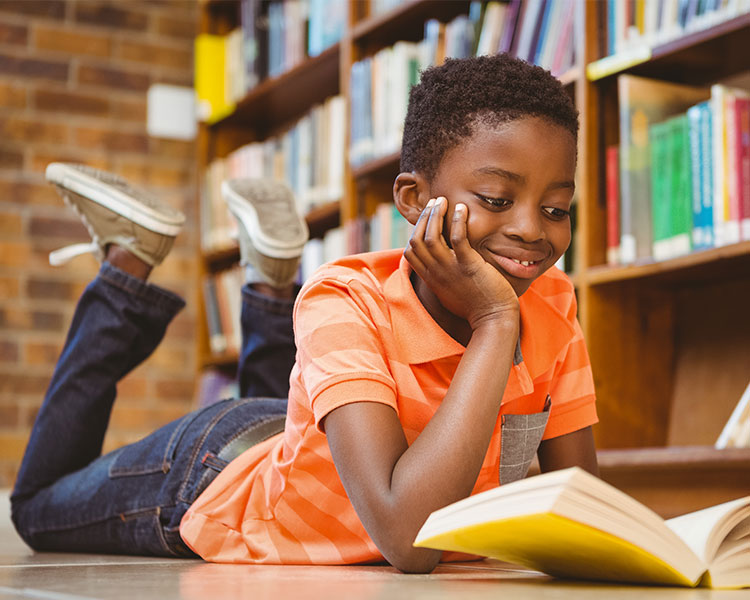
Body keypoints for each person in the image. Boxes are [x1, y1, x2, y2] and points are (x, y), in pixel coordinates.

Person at [12, 54, 598, 574]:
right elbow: (409, 540)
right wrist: (495, 324)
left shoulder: (554, 303)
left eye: (555, 208)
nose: (529, 229)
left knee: (307, 435)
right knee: (35, 507)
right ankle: (127, 266)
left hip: (318, 438)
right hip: (212, 474)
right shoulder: (344, 299)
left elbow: (584, 511)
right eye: (497, 200)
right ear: (415, 200)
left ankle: (268, 283)